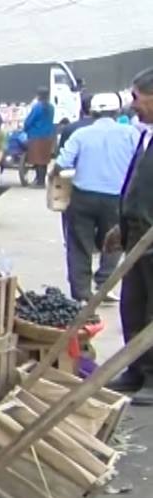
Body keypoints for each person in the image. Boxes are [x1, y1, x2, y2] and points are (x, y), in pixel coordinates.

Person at [53, 91, 138, 301]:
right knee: (114, 242)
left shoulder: (81, 135)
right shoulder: (130, 133)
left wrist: (54, 178)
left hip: (82, 198)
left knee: (79, 244)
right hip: (117, 198)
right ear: (118, 112)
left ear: (92, 112)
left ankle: (81, 293)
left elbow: (61, 164)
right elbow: (141, 161)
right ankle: (104, 284)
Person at [109, 68, 153, 404]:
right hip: (137, 235)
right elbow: (135, 186)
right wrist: (121, 227)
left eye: (138, 97)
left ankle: (152, 379)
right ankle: (135, 369)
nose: (133, 105)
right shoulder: (145, 134)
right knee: (132, 307)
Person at [25, 87, 58, 185]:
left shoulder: (37, 107)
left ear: (38, 95)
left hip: (36, 135)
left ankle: (39, 181)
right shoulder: (51, 107)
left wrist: (25, 129)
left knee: (37, 159)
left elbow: (29, 121)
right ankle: (41, 180)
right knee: (44, 159)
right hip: (48, 136)